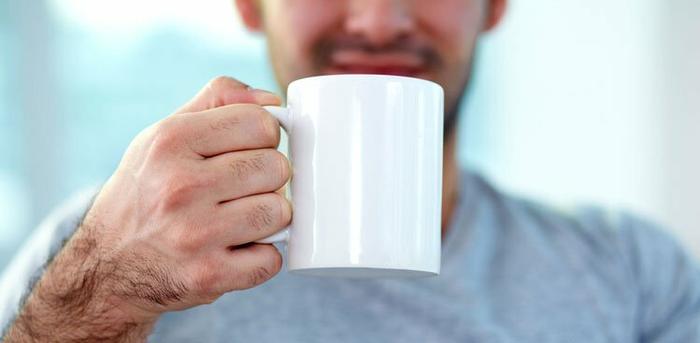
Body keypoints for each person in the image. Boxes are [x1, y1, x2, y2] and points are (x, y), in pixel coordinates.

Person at [1, 0, 699, 341]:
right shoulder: (95, 251)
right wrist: (104, 292)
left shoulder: (632, 270)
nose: (376, 19)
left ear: (494, 6)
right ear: (250, 5)